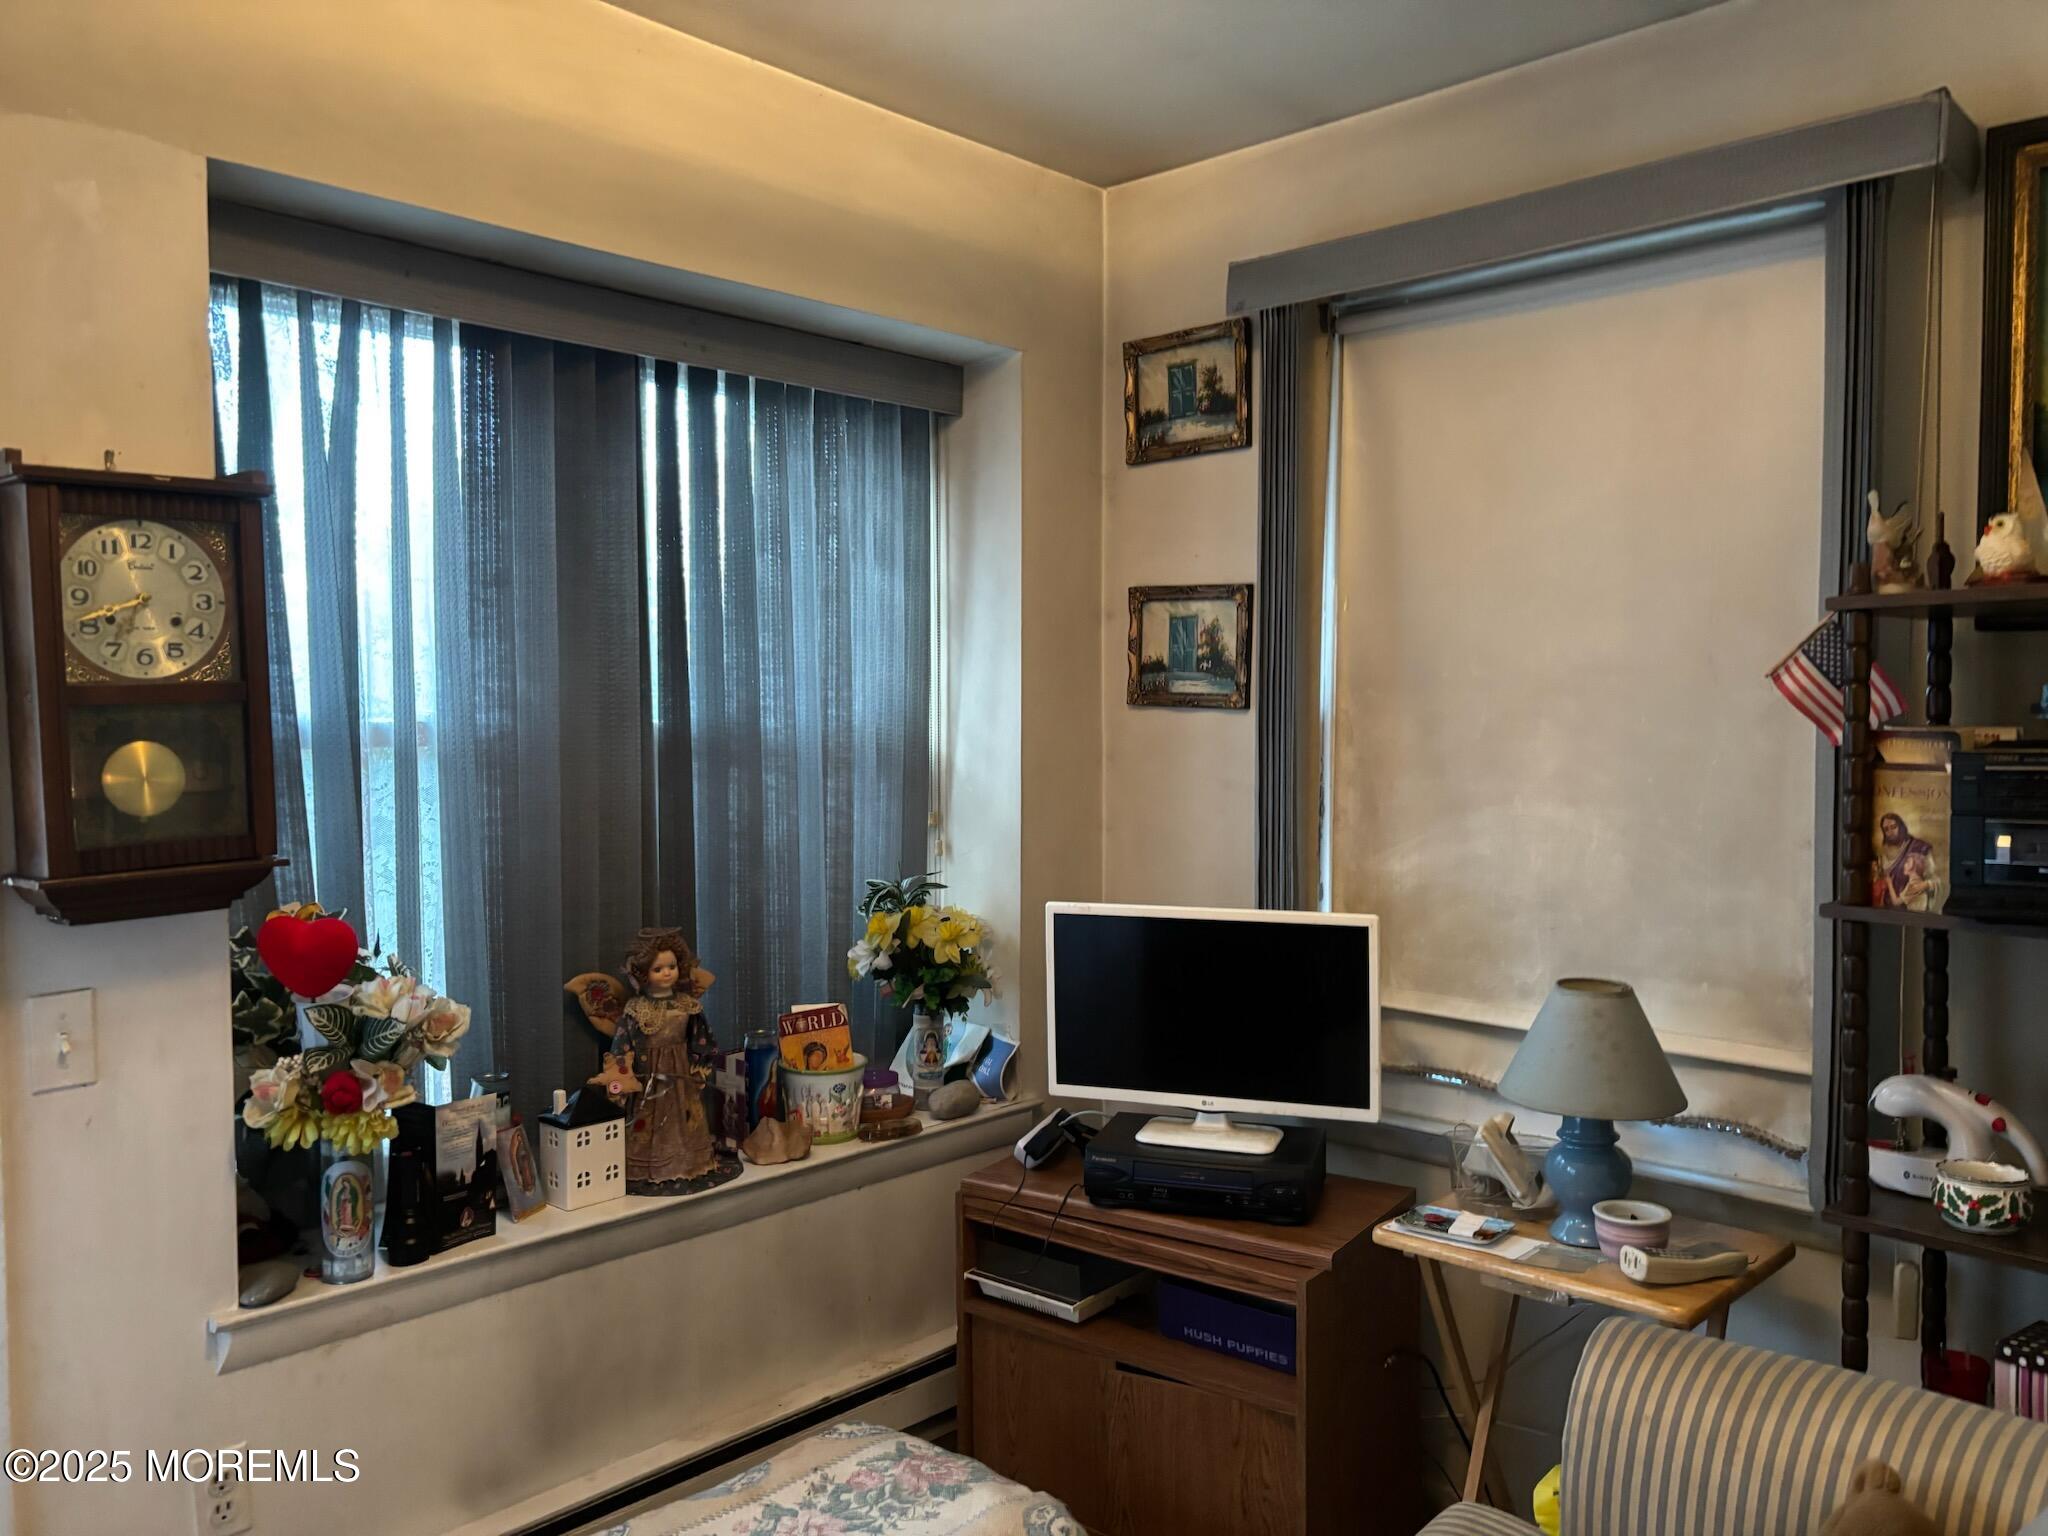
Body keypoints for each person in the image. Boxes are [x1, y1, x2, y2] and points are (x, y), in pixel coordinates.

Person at [614, 927, 720, 1190]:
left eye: (671, 966)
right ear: (642, 973)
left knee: (685, 1118)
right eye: (658, 969)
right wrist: (622, 1073)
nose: (666, 973)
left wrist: (700, 1067)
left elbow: (702, 1039)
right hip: (649, 1076)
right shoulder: (637, 1008)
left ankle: (688, 1161)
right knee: (648, 1119)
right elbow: (622, 1043)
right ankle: (648, 1164)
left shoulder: (687, 1005)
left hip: (681, 1075)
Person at [1873, 813, 1941, 911]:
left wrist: (1925, 885)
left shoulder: (1919, 847)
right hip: (1887, 909)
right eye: (1886, 829)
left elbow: (1935, 879)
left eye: (1893, 827)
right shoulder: (1882, 852)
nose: (1890, 832)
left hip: (1911, 909)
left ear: (1901, 827)